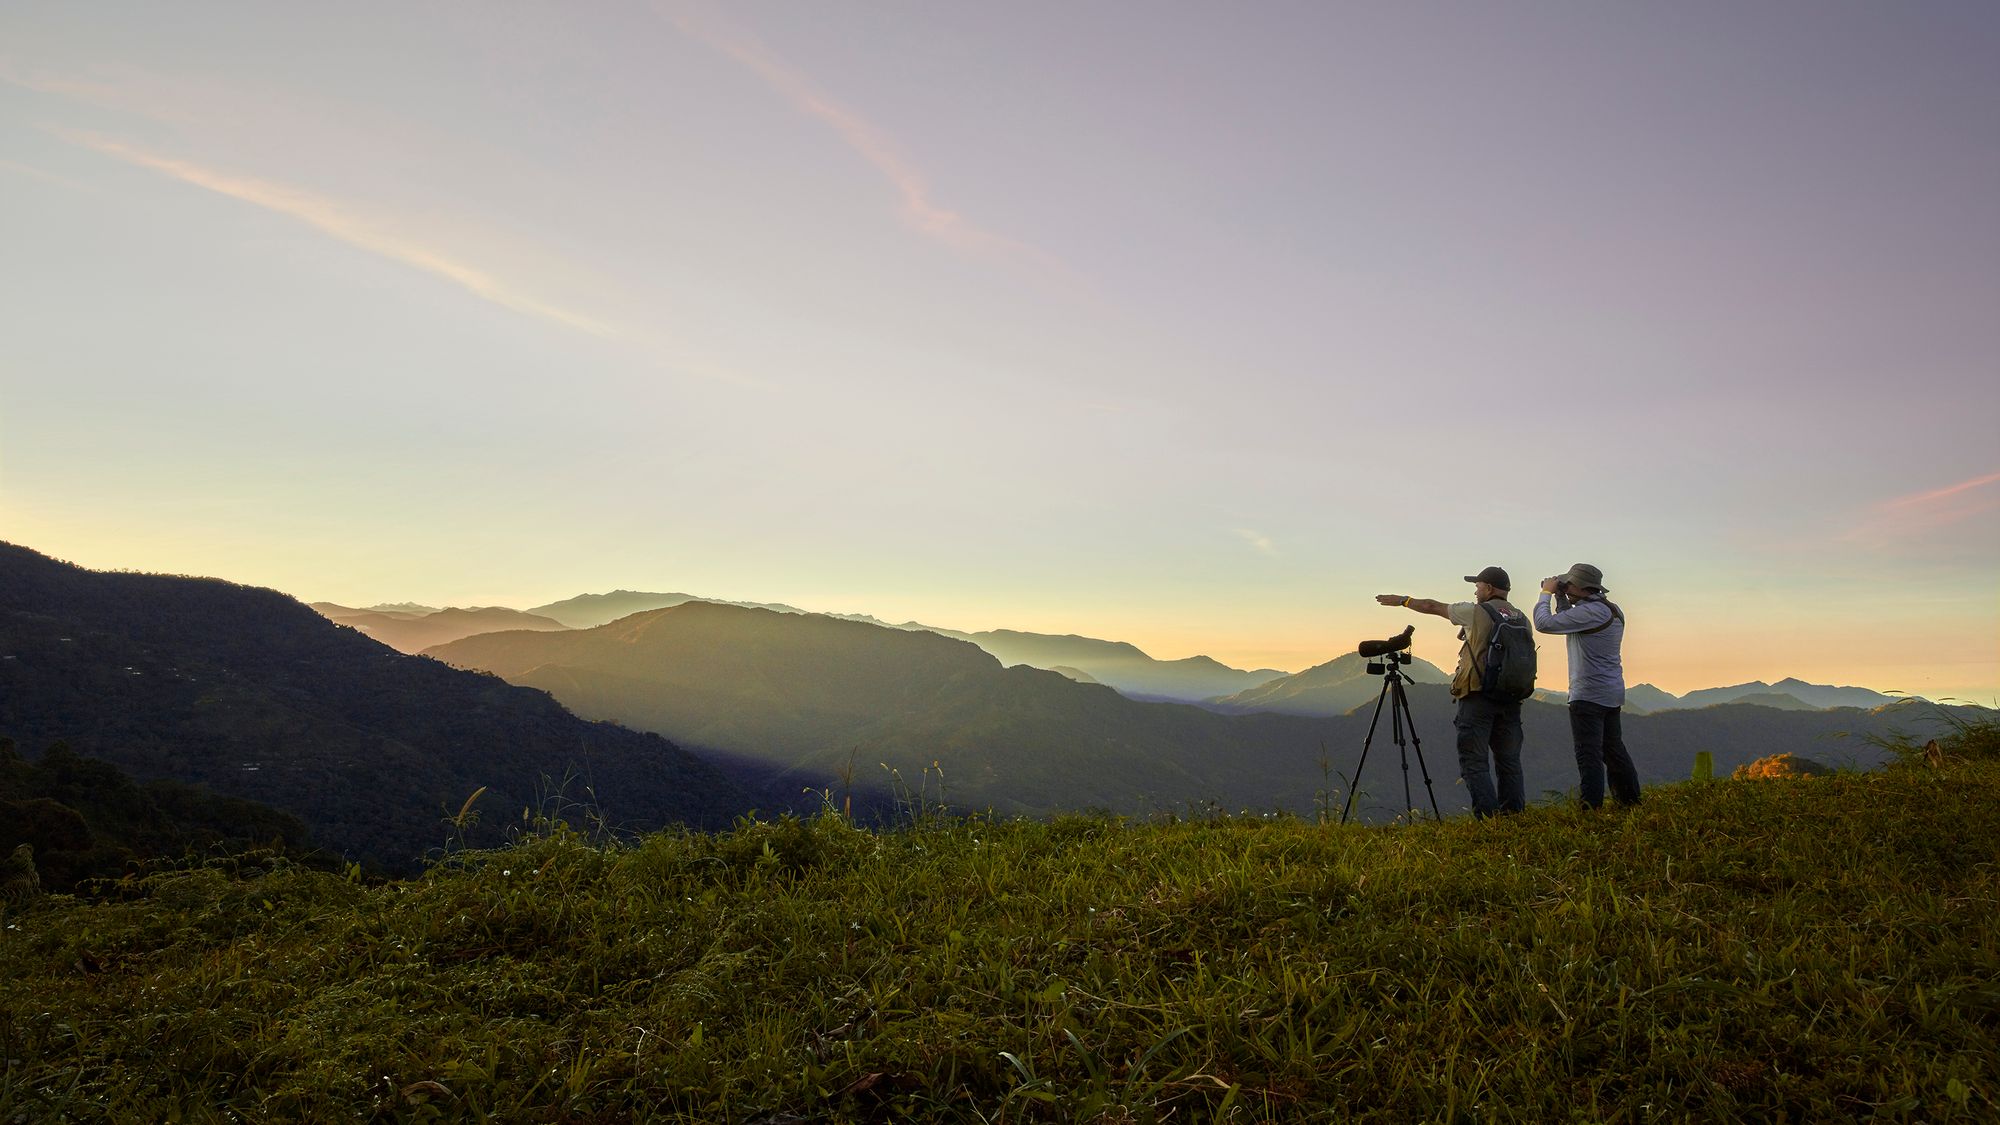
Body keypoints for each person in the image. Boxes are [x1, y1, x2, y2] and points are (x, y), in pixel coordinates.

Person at [1374, 566, 1528, 817]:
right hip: (1511, 697)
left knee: (1474, 761)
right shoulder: (1520, 617)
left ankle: (1488, 820)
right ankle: (1514, 816)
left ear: (1488, 588)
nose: (1475, 591)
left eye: (1478, 586)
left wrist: (1403, 601)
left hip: (1478, 697)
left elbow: (1433, 606)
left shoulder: (1476, 611)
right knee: (1509, 761)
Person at [1535, 563, 1641, 809]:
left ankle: (1591, 807)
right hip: (1611, 692)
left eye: (1568, 584)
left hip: (1589, 695)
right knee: (1613, 750)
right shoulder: (1609, 609)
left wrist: (1546, 594)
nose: (1566, 588)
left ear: (1581, 587)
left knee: (1588, 753)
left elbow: (1545, 624)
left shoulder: (1591, 612)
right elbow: (1567, 621)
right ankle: (1629, 801)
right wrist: (1562, 596)